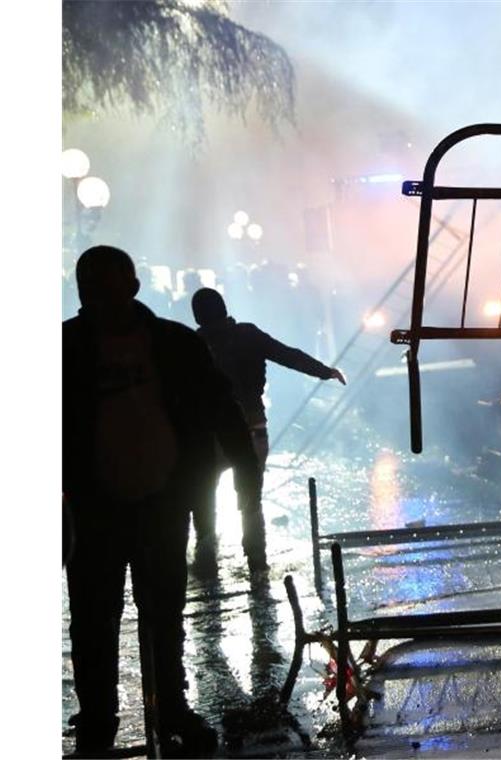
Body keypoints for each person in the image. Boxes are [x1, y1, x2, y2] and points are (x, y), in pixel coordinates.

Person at [63, 246, 263, 756]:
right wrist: (244, 473)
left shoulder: (72, 348)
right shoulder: (164, 343)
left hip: (135, 507)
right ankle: (132, 716)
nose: (102, 300)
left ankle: (131, 716)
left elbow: (220, 406)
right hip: (112, 509)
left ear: (129, 286)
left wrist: (243, 469)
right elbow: (223, 408)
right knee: (111, 619)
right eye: (94, 291)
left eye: (105, 289)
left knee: (132, 616)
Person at [189, 287, 345, 569]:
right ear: (224, 309)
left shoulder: (192, 345)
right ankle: (256, 558)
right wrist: (325, 371)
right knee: (250, 496)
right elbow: (286, 355)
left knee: (204, 493)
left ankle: (206, 555)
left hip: (209, 432)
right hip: (252, 426)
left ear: (197, 315)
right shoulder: (248, 335)